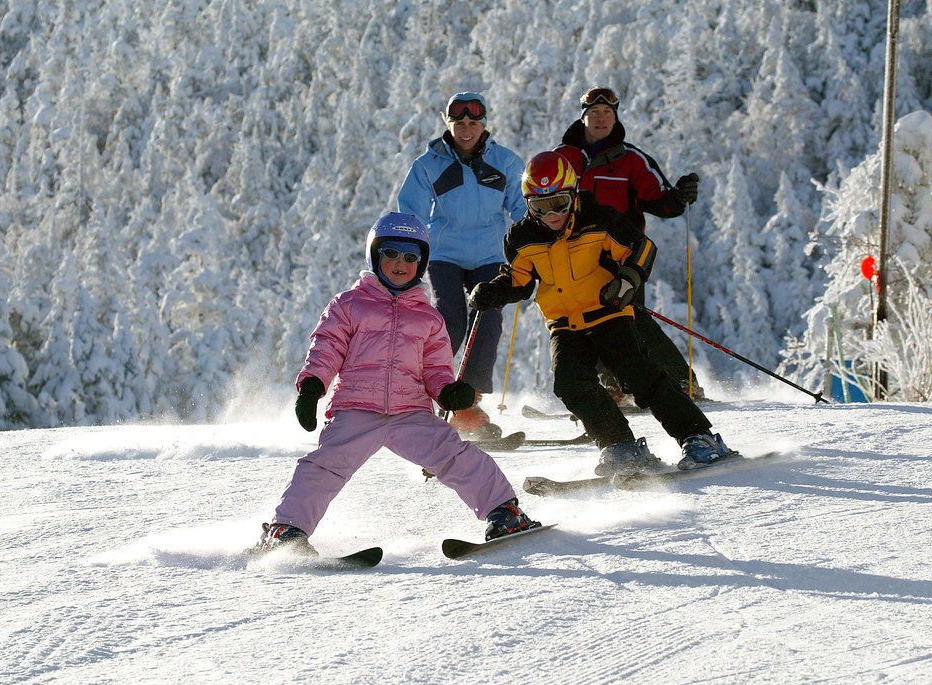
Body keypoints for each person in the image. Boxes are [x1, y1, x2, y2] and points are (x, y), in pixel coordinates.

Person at [257, 212, 537, 554]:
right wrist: (313, 387)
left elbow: (435, 368)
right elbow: (326, 348)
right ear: (375, 256)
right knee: (325, 466)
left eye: (411, 257)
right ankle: (286, 531)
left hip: (410, 413)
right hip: (356, 409)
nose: (400, 263)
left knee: (455, 455)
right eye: (391, 253)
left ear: (421, 264)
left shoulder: (428, 317)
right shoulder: (349, 304)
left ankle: (504, 511)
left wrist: (448, 391)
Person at [469, 151, 736, 477]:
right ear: (528, 204)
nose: (551, 214)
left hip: (608, 315)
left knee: (639, 377)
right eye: (540, 207)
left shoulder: (599, 219)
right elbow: (519, 282)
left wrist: (628, 279)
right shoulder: (522, 238)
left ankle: (700, 438)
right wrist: (494, 291)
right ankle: (620, 447)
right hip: (564, 325)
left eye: (560, 203)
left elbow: (642, 247)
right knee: (570, 384)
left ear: (573, 193)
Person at [555, 85, 704, 402]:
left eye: (607, 112)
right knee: (585, 320)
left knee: (631, 318)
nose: (601, 119)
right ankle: (615, 387)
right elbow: (542, 197)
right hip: (576, 256)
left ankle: (681, 382)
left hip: (623, 255)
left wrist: (678, 197)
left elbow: (661, 203)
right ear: (583, 117)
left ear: (615, 117)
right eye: (594, 112)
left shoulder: (632, 159)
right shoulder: (562, 158)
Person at [397, 92, 528, 439]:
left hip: (490, 255)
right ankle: (418, 391)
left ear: (484, 124)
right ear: (448, 123)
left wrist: (527, 247)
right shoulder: (428, 165)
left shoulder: (506, 162)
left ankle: (467, 404)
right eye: (459, 123)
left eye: (473, 123)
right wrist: (408, 254)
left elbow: (522, 209)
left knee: (489, 316)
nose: (466, 129)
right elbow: (411, 213)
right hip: (445, 254)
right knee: (450, 320)